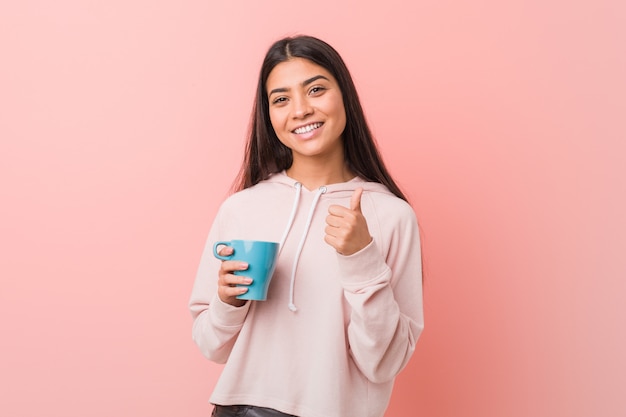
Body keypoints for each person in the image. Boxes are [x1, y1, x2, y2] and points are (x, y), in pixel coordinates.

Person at [189, 35, 424, 417]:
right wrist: (228, 303)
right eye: (281, 99)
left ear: (344, 95)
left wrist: (362, 259)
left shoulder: (391, 215)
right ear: (269, 115)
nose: (300, 110)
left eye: (315, 89)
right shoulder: (241, 207)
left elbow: (383, 362)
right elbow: (211, 345)